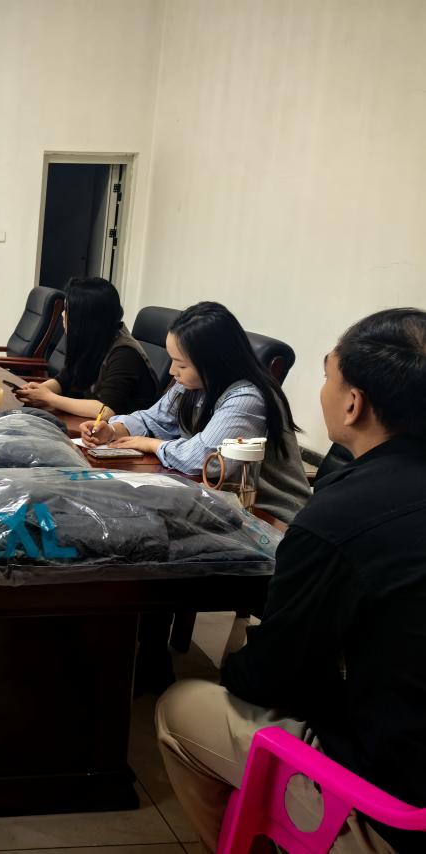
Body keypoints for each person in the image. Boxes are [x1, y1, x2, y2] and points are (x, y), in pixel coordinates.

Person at [156, 308, 426, 853]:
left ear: (353, 403)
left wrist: (232, 668)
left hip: (395, 806)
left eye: (328, 377)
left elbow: (270, 678)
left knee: (181, 706)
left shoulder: (339, 517)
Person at [80, 301, 309, 524]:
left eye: (181, 364)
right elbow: (153, 419)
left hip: (267, 517)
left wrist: (150, 444)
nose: (172, 371)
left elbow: (203, 458)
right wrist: (113, 430)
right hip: (220, 499)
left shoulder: (248, 397)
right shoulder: (194, 384)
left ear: (213, 361)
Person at [15, 277, 160, 418]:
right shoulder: (94, 338)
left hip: (119, 430)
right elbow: (66, 379)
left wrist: (49, 398)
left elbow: (105, 411)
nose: (62, 314)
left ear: (84, 319)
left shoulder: (125, 354)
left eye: (67, 309)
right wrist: (39, 390)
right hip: (91, 425)